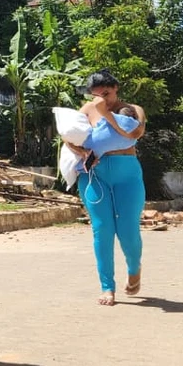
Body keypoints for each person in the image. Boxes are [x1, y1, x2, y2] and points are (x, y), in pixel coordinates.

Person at [67, 70, 147, 307]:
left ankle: (134, 268)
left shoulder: (133, 109)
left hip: (127, 174)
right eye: (96, 95)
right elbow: (68, 137)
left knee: (128, 229)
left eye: (107, 93)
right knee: (102, 229)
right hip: (95, 175)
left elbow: (134, 134)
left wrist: (106, 114)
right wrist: (83, 153)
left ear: (116, 88)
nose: (102, 99)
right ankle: (107, 287)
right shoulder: (86, 109)